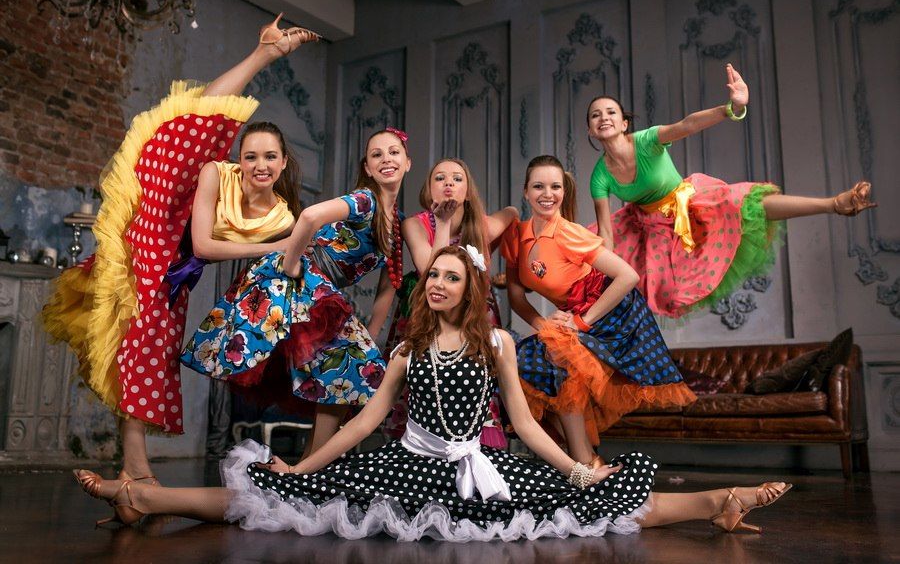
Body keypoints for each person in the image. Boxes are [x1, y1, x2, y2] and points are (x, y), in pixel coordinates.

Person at [74, 246, 791, 539]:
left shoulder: (497, 343)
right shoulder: (407, 350)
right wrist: (303, 464)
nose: (441, 283)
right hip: (409, 464)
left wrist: (578, 469)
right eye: (435, 277)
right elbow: (362, 425)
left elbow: (526, 427)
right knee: (282, 493)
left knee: (582, 502)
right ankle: (144, 498)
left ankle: (716, 503)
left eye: (453, 277)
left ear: (471, 289)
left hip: (478, 466)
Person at [42, 14, 318, 484]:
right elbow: (207, 241)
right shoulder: (216, 172)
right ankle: (138, 472)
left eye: (270, 156)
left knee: (148, 350)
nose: (260, 164)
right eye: (250, 155)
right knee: (199, 126)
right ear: (238, 160)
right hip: (159, 216)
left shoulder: (282, 215)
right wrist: (276, 244)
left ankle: (133, 472)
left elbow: (242, 252)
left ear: (283, 161)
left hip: (178, 262)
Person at [181, 127, 411, 458]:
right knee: (348, 369)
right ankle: (307, 469)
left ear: (407, 163)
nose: (386, 159)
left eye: (394, 153)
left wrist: (372, 336)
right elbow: (310, 216)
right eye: (377, 154)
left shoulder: (397, 224)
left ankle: (307, 467)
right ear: (368, 167)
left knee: (345, 376)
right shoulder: (365, 200)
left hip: (318, 288)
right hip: (297, 276)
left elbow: (388, 285)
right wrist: (291, 265)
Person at [589, 63, 876, 318]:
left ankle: (835, 204)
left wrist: (731, 108)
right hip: (650, 227)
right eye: (595, 115)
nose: (604, 117)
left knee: (747, 203)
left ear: (624, 123)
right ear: (591, 130)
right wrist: (607, 278)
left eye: (611, 112)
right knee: (663, 292)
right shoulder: (600, 176)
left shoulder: (646, 141)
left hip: (689, 203)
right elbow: (606, 234)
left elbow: (688, 125)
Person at [503, 156, 696, 467]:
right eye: (538, 186)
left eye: (555, 187)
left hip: (612, 311)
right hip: (575, 310)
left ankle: (584, 463)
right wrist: (542, 323)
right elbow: (517, 299)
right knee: (542, 365)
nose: (547, 194)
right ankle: (585, 463)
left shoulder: (569, 233)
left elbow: (627, 277)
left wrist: (581, 322)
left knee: (560, 360)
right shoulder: (515, 237)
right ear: (526, 192)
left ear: (564, 192)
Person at [383, 158, 517, 446]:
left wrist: (491, 249)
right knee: (427, 380)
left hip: (471, 315)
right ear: (429, 190)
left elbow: (512, 213)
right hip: (429, 312)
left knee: (472, 380)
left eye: (457, 179)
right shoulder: (414, 224)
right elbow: (432, 272)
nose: (448, 183)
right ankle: (422, 443)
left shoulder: (480, 226)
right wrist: (442, 223)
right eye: (440, 178)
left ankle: (475, 443)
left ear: (467, 192)